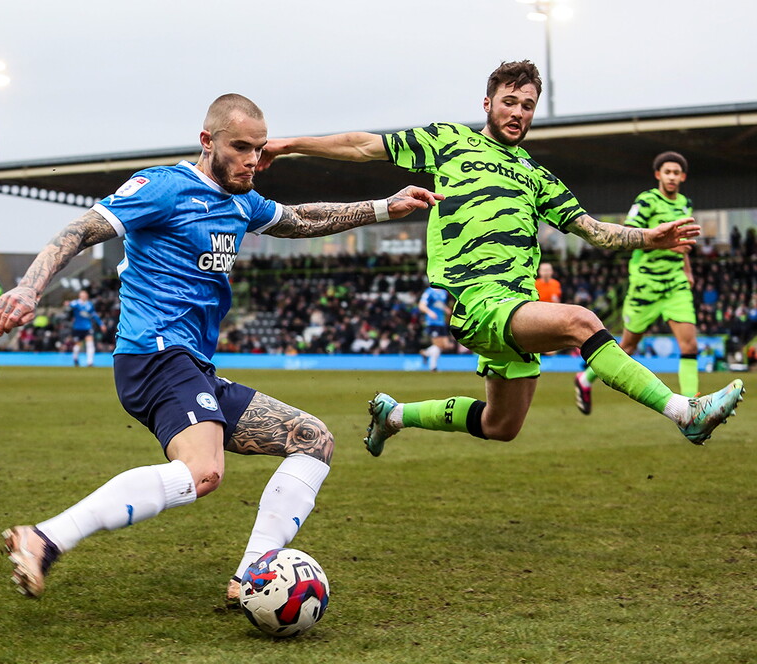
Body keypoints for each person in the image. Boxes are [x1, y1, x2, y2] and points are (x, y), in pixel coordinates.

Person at [0, 93, 439, 601]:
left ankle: (252, 573)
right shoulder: (164, 187)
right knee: (204, 472)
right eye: (241, 147)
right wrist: (30, 286)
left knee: (313, 439)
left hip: (193, 366)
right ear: (208, 142)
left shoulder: (242, 202)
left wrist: (385, 207)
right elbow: (82, 228)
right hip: (155, 355)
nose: (253, 160)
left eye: (259, 149)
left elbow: (302, 219)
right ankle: (44, 539)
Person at [258, 60, 744, 455]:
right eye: (509, 102)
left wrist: (648, 238)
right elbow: (363, 145)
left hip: (515, 305)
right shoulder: (447, 142)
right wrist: (286, 144)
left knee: (500, 425)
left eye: (527, 105)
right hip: (478, 302)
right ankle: (685, 412)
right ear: (488, 104)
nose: (518, 112)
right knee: (580, 320)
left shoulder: (536, 175)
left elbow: (593, 230)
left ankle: (395, 414)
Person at [574, 152, 698, 413]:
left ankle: (693, 409)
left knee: (690, 345)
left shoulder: (685, 204)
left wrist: (687, 269)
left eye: (677, 172)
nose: (672, 176)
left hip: (675, 284)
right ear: (658, 175)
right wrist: (668, 246)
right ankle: (585, 379)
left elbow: (683, 243)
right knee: (628, 346)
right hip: (645, 286)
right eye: (668, 172)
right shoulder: (647, 200)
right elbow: (630, 233)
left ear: (683, 177)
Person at [418, 286, 451, 371]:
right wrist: (430, 312)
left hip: (441, 322)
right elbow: (421, 305)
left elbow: (439, 304)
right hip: (433, 322)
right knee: (438, 344)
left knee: (446, 345)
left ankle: (426, 353)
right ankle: (433, 367)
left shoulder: (443, 292)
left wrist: (446, 309)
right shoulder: (429, 292)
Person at [68, 289, 102, 367]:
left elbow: (94, 315)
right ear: (79, 296)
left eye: (85, 294)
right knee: (77, 346)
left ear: (87, 296)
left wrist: (101, 324)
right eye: (82, 294)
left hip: (87, 327)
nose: (83, 296)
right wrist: (68, 303)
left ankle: (90, 362)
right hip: (77, 327)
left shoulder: (89, 304)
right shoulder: (76, 303)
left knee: (90, 344)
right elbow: (70, 304)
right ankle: (75, 358)